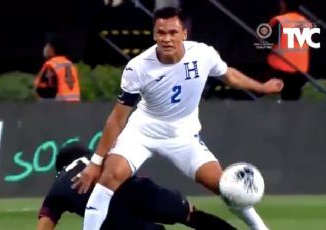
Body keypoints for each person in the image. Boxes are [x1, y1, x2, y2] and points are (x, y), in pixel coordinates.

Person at [74, 7, 283, 230]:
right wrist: (96, 163)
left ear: (184, 33)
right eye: (161, 33)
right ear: (154, 34)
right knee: (109, 178)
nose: (166, 38)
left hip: (183, 137)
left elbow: (230, 75)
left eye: (173, 32)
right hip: (142, 133)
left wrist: (261, 87)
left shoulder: (202, 54)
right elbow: (117, 119)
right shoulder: (137, 68)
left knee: (227, 187)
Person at [37, 143, 237, 230]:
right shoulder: (94, 158)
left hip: (112, 217)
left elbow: (45, 224)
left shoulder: (57, 187)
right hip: (138, 189)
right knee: (191, 215)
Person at [265, 0, 310, 100]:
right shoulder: (305, 22)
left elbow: (267, 41)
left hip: (281, 69)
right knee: (292, 100)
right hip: (300, 70)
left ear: (283, 4)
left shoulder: (281, 21)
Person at [34, 34, 81, 102]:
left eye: (48, 46)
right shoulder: (70, 64)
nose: (46, 49)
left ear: (53, 49)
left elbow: (46, 92)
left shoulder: (51, 65)